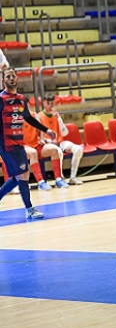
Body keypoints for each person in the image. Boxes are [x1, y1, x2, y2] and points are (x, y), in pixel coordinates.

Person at [0, 67, 57, 219]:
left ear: (17, 78)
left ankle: (28, 208)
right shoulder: (1, 99)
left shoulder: (21, 99)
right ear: (3, 80)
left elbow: (29, 118)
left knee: (17, 177)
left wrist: (46, 130)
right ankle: (29, 209)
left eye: (13, 76)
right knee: (23, 174)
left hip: (19, 143)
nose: (11, 79)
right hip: (6, 144)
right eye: (8, 77)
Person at [36, 94, 84, 185]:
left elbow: (65, 133)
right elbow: (37, 136)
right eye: (48, 103)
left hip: (60, 142)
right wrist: (48, 141)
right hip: (47, 144)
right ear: (44, 103)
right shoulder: (39, 116)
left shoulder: (56, 115)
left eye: (52, 103)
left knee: (78, 149)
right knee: (58, 152)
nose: (50, 105)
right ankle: (60, 178)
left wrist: (59, 119)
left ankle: (73, 177)